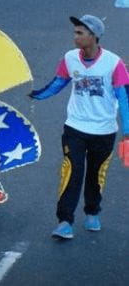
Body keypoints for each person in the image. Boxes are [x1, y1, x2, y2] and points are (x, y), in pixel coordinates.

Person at [28, 15, 129, 240]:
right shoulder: (70, 58)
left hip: (104, 131)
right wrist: (37, 95)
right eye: (75, 32)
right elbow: (59, 82)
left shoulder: (113, 63)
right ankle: (65, 221)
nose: (75, 37)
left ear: (94, 36)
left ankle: (92, 212)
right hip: (75, 127)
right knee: (72, 172)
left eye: (80, 33)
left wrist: (127, 131)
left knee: (96, 174)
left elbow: (123, 98)